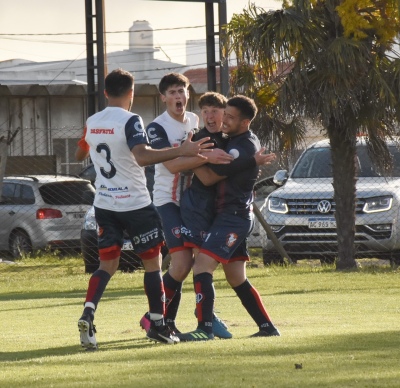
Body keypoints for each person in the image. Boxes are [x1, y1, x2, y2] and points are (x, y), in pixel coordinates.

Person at [74, 68, 212, 350]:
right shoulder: (131, 119)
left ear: (105, 93)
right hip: (135, 204)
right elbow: (142, 157)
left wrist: (89, 137)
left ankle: (88, 311)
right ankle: (159, 325)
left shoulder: (93, 120)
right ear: (132, 93)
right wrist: (181, 150)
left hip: (104, 203)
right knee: (152, 264)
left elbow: (81, 152)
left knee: (106, 265)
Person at [176, 95, 281, 341]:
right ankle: (267, 327)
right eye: (226, 114)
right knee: (236, 277)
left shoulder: (243, 145)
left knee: (202, 266)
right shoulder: (233, 139)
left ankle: (205, 329)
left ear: (245, 122)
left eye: (230, 117)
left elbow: (221, 169)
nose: (224, 119)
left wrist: (197, 159)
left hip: (233, 217)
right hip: (230, 216)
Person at [140, 74, 233, 339]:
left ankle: (162, 320)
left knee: (191, 262)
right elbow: (170, 165)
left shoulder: (194, 120)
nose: (178, 97)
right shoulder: (157, 127)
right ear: (163, 98)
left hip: (193, 204)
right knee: (181, 262)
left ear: (188, 94)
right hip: (167, 202)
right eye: (172, 93)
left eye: (181, 91)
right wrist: (202, 155)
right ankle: (158, 319)